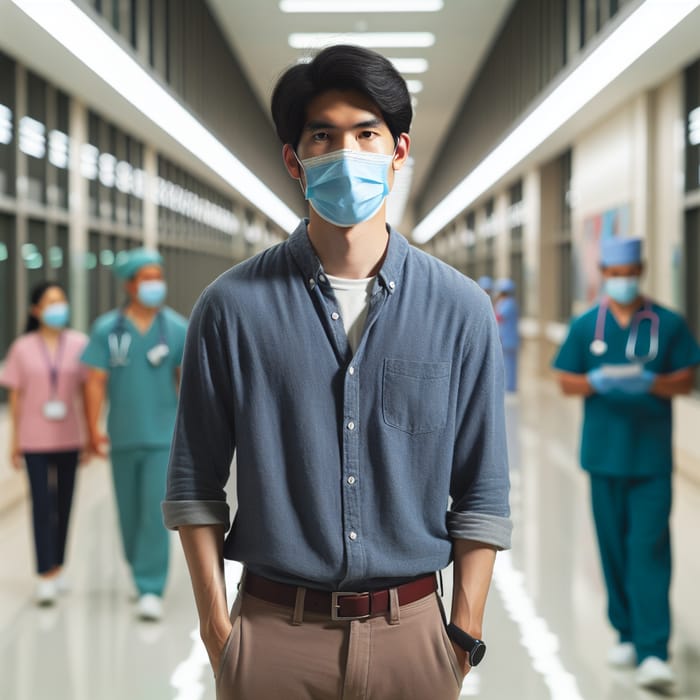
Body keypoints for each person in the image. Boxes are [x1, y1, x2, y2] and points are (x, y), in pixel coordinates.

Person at [163, 44, 511, 699]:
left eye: (366, 133)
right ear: (295, 161)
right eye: (323, 136)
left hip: (414, 636)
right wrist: (218, 631)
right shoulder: (230, 308)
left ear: (398, 151)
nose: (346, 152)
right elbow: (193, 482)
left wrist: (461, 635)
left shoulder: (461, 309)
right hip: (271, 637)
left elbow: (483, 491)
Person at [552, 236, 700, 693]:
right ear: (603, 273)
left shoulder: (667, 324)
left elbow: (685, 379)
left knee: (649, 550)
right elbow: (566, 381)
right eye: (614, 274)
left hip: (650, 461)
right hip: (602, 459)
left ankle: (654, 649)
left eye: (629, 272)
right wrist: (595, 381)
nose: (622, 280)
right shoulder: (586, 326)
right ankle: (625, 632)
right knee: (612, 549)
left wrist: (651, 383)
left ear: (643, 268)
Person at [81, 248, 187, 621]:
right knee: (127, 513)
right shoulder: (107, 329)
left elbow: (187, 382)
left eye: (158, 276)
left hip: (162, 436)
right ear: (129, 285)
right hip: (122, 434)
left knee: (154, 512)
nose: (155, 284)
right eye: (146, 278)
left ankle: (150, 586)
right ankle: (137, 566)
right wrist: (92, 428)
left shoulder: (175, 328)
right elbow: (94, 382)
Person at [0, 281, 88, 605]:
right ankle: (44, 573)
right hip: (33, 440)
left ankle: (59, 565)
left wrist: (91, 437)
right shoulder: (22, 348)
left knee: (64, 504)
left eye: (61, 301)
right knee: (41, 505)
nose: (57, 308)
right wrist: (13, 443)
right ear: (35, 311)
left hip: (69, 436)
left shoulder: (80, 344)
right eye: (50, 302)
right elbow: (16, 398)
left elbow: (89, 394)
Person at [494, 278, 519, 392]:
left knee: (508, 364)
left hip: (507, 340)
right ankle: (509, 385)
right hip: (508, 339)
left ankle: (509, 386)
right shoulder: (510, 303)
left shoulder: (507, 304)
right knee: (509, 364)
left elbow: (499, 317)